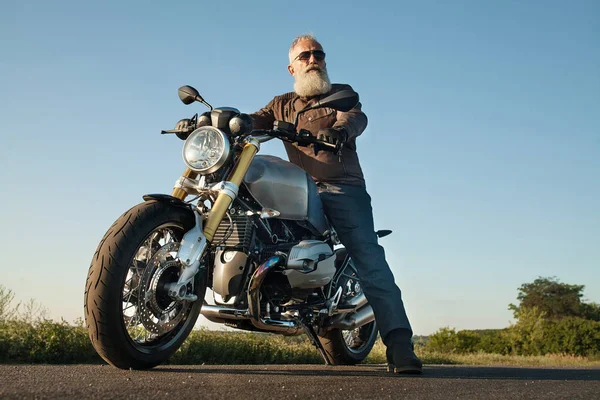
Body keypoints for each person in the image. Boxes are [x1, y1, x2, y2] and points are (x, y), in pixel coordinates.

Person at [250, 34, 422, 374]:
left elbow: (355, 117)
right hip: (296, 190)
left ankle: (400, 345)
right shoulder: (281, 103)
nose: (313, 59)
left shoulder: (338, 94)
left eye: (318, 53)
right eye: (305, 56)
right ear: (292, 67)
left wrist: (340, 132)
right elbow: (254, 120)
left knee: (369, 257)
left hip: (341, 188)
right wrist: (217, 120)